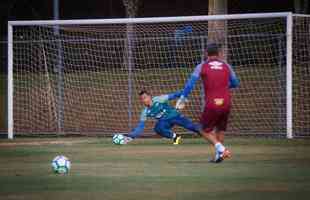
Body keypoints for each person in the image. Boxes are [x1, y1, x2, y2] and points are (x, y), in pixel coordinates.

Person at [176, 43, 240, 162]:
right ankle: (219, 156)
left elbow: (190, 84)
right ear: (219, 54)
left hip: (212, 103)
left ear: (206, 54)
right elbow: (236, 83)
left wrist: (183, 98)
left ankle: (221, 149)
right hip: (226, 102)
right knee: (220, 129)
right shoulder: (227, 66)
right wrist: (222, 86)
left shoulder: (201, 66)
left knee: (201, 129)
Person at [123, 90, 201, 144]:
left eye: (145, 97)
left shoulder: (158, 99)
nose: (144, 100)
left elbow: (174, 95)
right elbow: (140, 127)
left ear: (150, 97)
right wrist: (130, 136)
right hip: (164, 121)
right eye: (142, 99)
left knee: (192, 127)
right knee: (158, 129)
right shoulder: (145, 111)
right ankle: (175, 137)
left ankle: (205, 133)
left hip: (175, 116)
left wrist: (184, 94)